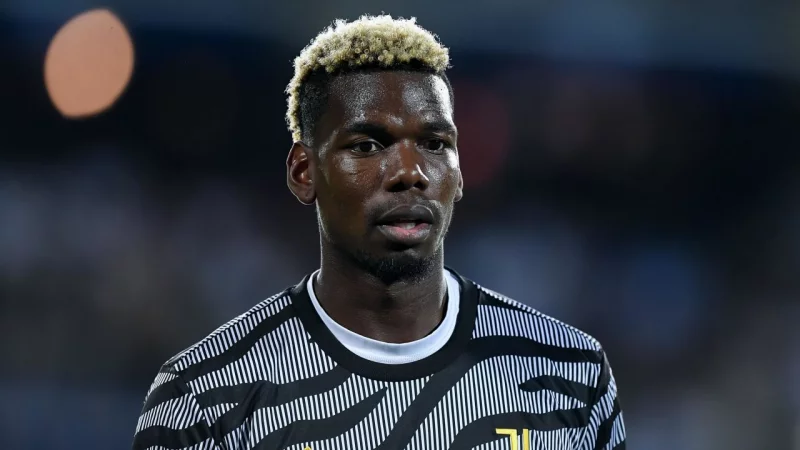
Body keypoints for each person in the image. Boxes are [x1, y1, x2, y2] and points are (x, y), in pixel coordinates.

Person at [131, 15, 626, 450]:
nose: (409, 171)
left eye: (434, 143)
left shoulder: (570, 374)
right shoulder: (206, 397)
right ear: (305, 172)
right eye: (368, 145)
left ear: (457, 174)